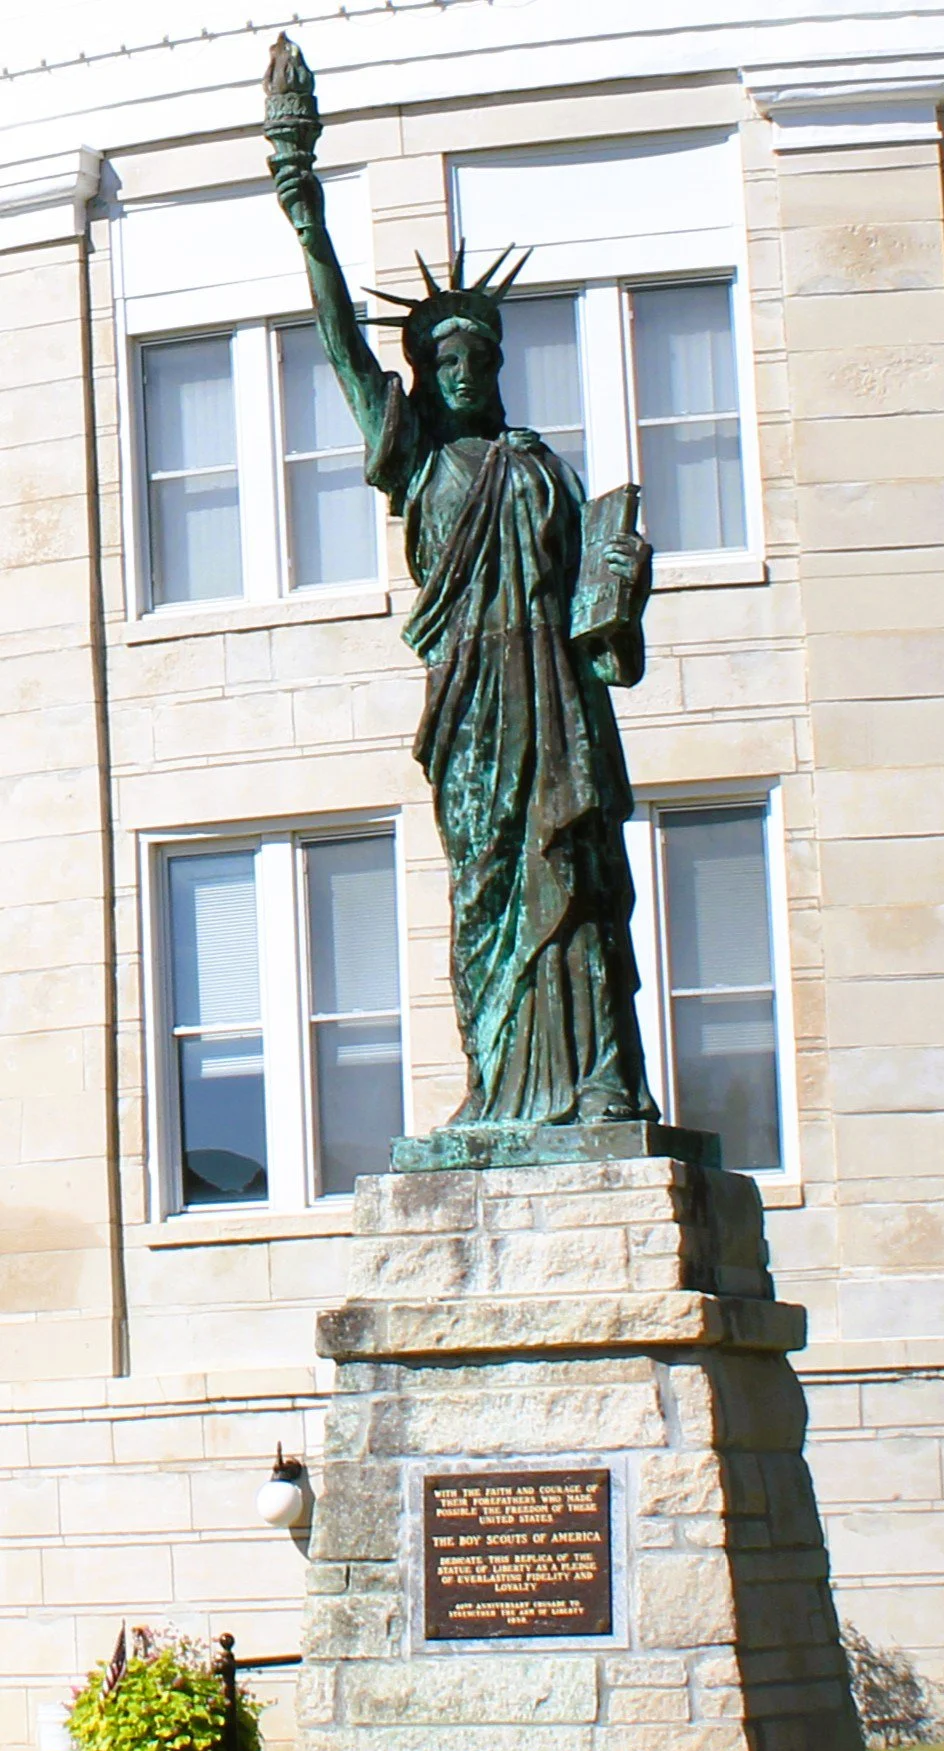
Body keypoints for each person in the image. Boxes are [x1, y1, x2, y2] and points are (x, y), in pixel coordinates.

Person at [271, 147, 659, 1128]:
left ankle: (601, 1081)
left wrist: (620, 575)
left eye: (477, 360)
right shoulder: (418, 458)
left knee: (571, 872)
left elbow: (590, 576)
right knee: (489, 891)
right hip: (474, 711)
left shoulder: (537, 465)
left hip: (557, 694)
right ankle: (496, 1087)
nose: (462, 373)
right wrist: (310, 223)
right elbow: (343, 352)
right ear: (426, 375)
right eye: (444, 361)